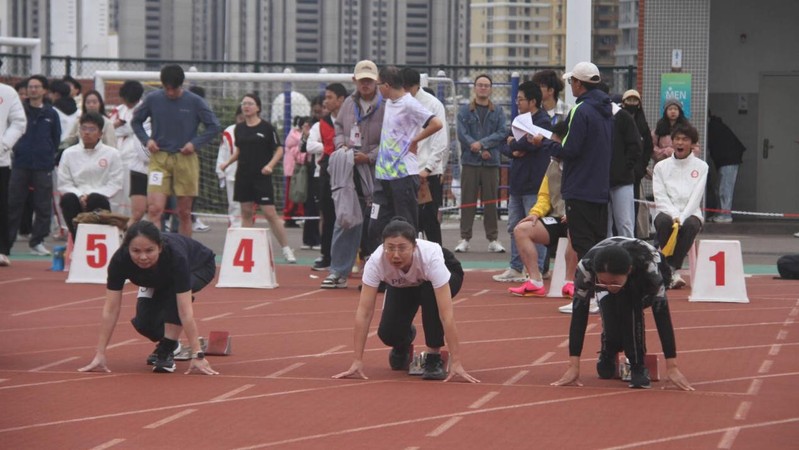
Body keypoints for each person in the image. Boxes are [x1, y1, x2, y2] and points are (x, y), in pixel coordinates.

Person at [333, 217, 479, 383]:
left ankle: (433, 356)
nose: (396, 255)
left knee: (429, 293)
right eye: (390, 248)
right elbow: (364, 312)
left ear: (414, 247)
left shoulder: (431, 258)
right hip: (404, 281)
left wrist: (457, 361)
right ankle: (404, 340)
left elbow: (446, 315)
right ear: (383, 246)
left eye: (402, 248)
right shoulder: (375, 262)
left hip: (446, 274)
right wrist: (357, 361)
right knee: (388, 334)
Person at [551, 237, 694, 390]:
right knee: (610, 313)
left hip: (642, 280)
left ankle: (638, 366)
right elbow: (579, 314)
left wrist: (672, 367)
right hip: (613, 272)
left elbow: (662, 315)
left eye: (614, 282)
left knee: (629, 307)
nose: (610, 286)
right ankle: (609, 348)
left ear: (629, 271)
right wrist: (574, 366)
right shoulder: (585, 268)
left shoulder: (649, 269)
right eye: (603, 282)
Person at [78, 221, 219, 375]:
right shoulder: (119, 261)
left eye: (149, 250)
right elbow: (111, 309)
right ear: (127, 248)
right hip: (153, 277)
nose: (143, 257)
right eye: (136, 251)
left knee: (174, 294)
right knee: (144, 324)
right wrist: (100, 353)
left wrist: (197, 354)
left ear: (160, 247)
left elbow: (184, 310)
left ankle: (166, 350)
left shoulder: (176, 256)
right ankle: (174, 345)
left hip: (198, 266)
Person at [532, 62, 612, 261]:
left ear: (579, 83)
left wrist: (544, 143)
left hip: (580, 187)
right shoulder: (607, 110)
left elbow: (569, 150)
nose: (570, 85)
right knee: (597, 243)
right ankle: (601, 288)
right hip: (600, 188)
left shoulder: (580, 110)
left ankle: (589, 288)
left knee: (582, 244)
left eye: (571, 81)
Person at [131, 64, 221, 237]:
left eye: (174, 89)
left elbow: (214, 126)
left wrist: (195, 143)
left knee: (184, 213)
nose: (170, 93)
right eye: (167, 89)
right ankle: (156, 249)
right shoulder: (153, 99)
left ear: (181, 85)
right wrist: (146, 140)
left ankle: (184, 250)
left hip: (185, 158)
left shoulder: (195, 101)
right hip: (159, 158)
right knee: (155, 209)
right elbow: (136, 121)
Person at [322, 60, 385, 288]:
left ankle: (377, 273)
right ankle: (338, 271)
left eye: (369, 80)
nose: (365, 84)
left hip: (378, 172)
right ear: (355, 81)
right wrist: (342, 148)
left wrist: (369, 156)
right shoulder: (349, 103)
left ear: (376, 80)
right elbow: (338, 129)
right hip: (350, 172)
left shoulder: (387, 104)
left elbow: (392, 138)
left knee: (376, 223)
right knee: (345, 219)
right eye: (362, 80)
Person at [368, 66, 443, 251]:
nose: (377, 89)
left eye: (378, 85)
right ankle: (383, 268)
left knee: (407, 228)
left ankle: (413, 270)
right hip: (383, 176)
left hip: (403, 176)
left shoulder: (409, 104)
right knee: (374, 227)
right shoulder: (388, 103)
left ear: (386, 85)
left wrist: (416, 140)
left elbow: (437, 123)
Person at [508, 122, 581, 301]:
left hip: (576, 217)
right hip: (556, 219)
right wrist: (535, 213)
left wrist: (573, 213)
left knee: (576, 230)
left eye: (555, 144)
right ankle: (535, 281)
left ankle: (569, 283)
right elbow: (544, 196)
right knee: (521, 230)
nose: (552, 149)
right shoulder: (552, 165)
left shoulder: (580, 165)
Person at [219, 94, 296, 263]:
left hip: (261, 177)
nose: (246, 106)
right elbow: (239, 151)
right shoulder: (239, 128)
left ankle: (286, 248)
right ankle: (248, 252)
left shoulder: (267, 128)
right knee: (246, 213)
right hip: (243, 176)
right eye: (244, 103)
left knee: (270, 213)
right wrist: (227, 163)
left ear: (258, 107)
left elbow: (279, 150)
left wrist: (270, 165)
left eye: (250, 104)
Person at [494, 81, 552, 283]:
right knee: (514, 226)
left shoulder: (543, 121)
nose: (517, 102)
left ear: (533, 101)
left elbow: (530, 145)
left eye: (521, 99)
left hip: (534, 182)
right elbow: (505, 144)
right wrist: (515, 146)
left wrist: (517, 145)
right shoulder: (519, 120)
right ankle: (516, 266)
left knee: (534, 227)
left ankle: (536, 269)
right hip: (517, 182)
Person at [6, 75, 61, 257]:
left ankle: (37, 241)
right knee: (13, 204)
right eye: (30, 87)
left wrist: (47, 154)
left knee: (43, 206)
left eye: (37, 87)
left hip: (43, 165)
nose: (33, 90)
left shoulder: (51, 113)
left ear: (44, 90)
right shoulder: (19, 111)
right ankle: (7, 242)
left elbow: (56, 138)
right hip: (20, 164)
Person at [455, 74, 508, 254]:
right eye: (480, 85)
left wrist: (483, 144)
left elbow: (502, 132)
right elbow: (462, 134)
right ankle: (464, 238)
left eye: (486, 85)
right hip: (470, 161)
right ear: (474, 88)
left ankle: (493, 239)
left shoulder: (498, 111)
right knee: (467, 201)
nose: (483, 88)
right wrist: (477, 148)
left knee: (491, 202)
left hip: (491, 162)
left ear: (491, 88)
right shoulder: (464, 111)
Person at [652, 124, 707, 289]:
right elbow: (660, 196)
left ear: (693, 143)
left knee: (690, 224)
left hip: (691, 213)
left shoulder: (702, 167)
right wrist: (674, 213)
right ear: (672, 142)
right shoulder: (661, 167)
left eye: (685, 139)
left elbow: (696, 197)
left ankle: (670, 268)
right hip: (667, 211)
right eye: (677, 139)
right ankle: (671, 272)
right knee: (662, 222)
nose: (680, 143)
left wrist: (682, 217)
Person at [56, 112, 125, 241]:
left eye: (92, 129)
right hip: (77, 199)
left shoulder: (112, 154)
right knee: (67, 199)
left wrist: (91, 195)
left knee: (95, 199)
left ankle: (95, 239)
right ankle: (78, 240)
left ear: (100, 133)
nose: (87, 133)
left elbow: (115, 183)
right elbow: (64, 183)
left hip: (101, 201)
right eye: (84, 128)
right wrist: (80, 195)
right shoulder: (69, 153)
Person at [401, 67, 448, 246]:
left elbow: (440, 140)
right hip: (405, 169)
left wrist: (427, 169)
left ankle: (438, 260)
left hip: (427, 173)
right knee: (406, 219)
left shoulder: (433, 104)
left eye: (407, 89)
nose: (404, 92)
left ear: (415, 86)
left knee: (429, 220)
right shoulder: (400, 103)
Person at [306, 85, 347, 271]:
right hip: (327, 171)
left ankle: (357, 255)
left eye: (329, 97)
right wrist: (329, 148)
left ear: (341, 99)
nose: (325, 101)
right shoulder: (320, 124)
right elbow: (310, 146)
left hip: (348, 170)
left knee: (350, 215)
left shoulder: (351, 120)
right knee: (328, 214)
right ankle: (326, 255)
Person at [599, 83, 641, 239]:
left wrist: (625, 168)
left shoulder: (622, 117)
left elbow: (636, 146)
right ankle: (605, 258)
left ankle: (630, 257)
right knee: (604, 225)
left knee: (625, 222)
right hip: (600, 181)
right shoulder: (594, 115)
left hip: (622, 180)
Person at [111, 80, 150, 227]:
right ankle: (117, 222)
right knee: (118, 194)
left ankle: (136, 225)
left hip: (137, 159)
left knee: (133, 197)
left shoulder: (145, 109)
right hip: (118, 157)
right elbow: (108, 128)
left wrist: (120, 128)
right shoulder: (118, 110)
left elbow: (132, 128)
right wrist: (116, 127)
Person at [0, 65, 28, 267]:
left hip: (0, 160)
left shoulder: (7, 93)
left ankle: (1, 249)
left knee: (2, 205)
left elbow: (19, 122)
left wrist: (3, 145)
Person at [620, 89, 654, 237]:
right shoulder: (618, 120)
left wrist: (640, 168)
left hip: (636, 173)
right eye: (629, 100)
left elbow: (648, 149)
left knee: (634, 207)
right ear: (623, 102)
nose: (632, 103)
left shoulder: (643, 125)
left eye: (635, 100)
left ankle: (632, 236)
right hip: (619, 172)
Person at [706, 111, 746, 223]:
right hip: (727, 159)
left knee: (725, 188)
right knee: (719, 188)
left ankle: (726, 215)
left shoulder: (713, 127)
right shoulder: (715, 125)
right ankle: (720, 213)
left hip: (729, 159)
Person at [215, 106, 244, 228]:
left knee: (247, 207)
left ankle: (247, 232)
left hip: (251, 174)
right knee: (234, 205)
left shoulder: (258, 129)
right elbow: (223, 152)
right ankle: (235, 231)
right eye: (240, 117)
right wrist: (221, 171)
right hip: (232, 173)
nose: (243, 120)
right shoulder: (229, 131)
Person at [282, 116, 308, 228]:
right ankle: (290, 216)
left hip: (297, 169)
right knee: (292, 194)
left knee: (298, 192)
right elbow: (300, 151)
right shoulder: (295, 136)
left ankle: (296, 215)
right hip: (294, 169)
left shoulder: (296, 136)